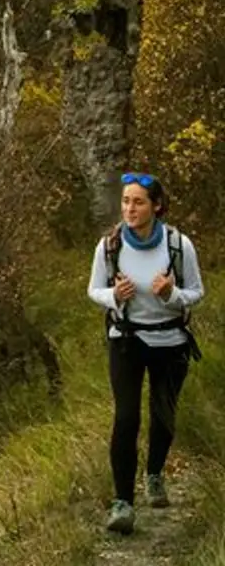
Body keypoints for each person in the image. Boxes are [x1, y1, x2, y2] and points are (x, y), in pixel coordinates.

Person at [87, 172, 205, 534]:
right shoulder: (109, 246)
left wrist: (172, 295)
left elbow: (197, 292)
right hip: (126, 339)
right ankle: (122, 502)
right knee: (126, 418)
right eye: (125, 201)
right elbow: (94, 290)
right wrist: (114, 296)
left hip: (171, 341)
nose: (129, 208)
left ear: (156, 206)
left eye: (138, 202)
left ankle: (154, 473)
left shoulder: (178, 245)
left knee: (163, 417)